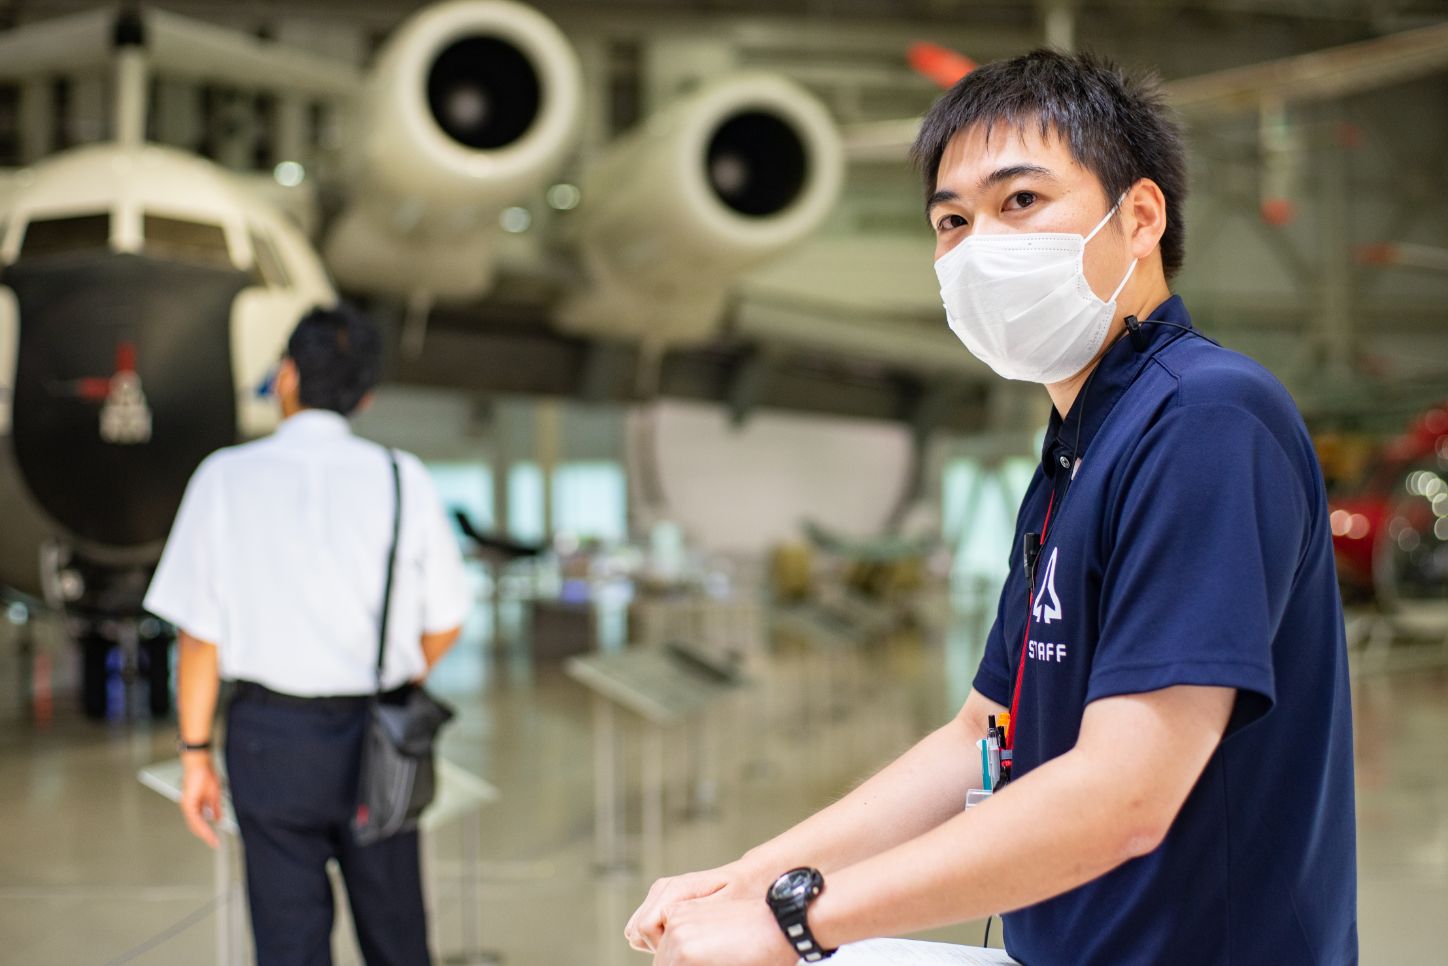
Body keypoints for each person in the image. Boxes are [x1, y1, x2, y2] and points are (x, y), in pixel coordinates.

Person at [625, 50, 1357, 966]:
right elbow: (981, 733)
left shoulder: (1205, 419)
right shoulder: (1078, 448)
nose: (979, 248)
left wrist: (800, 919)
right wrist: (751, 877)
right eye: (951, 221)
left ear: (1138, 218)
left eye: (1021, 202)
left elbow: (1125, 792)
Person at [145, 304, 470, 966]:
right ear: (367, 394)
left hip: (271, 739)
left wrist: (195, 754)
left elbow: (199, 638)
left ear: (285, 375)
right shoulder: (402, 476)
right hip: (380, 739)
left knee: (289, 941)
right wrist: (398, 682)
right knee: (398, 933)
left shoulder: (224, 477)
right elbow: (446, 621)